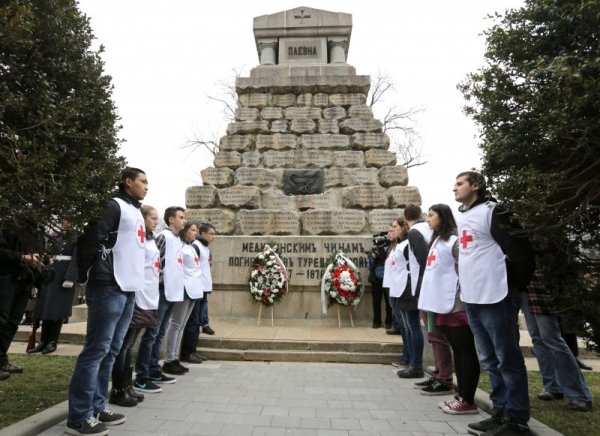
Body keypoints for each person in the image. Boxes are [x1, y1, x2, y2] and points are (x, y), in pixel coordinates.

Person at [66, 167, 148, 436]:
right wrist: (88, 274)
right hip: (108, 286)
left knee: (111, 350)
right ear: (128, 182)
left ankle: (98, 407)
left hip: (128, 288)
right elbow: (92, 238)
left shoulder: (135, 210)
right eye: (142, 182)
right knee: (95, 351)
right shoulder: (113, 206)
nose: (147, 186)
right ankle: (79, 417)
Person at [454, 171, 535, 436]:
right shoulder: (464, 215)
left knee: (507, 357)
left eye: (460, 183)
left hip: (496, 295)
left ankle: (516, 418)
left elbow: (520, 250)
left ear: (475, 186)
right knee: (488, 358)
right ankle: (499, 411)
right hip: (473, 296)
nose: (454, 188)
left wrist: (515, 287)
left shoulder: (494, 211)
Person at [418, 204, 480, 413]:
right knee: (458, 351)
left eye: (432, 215)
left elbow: (465, 267)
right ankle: (460, 395)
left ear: (443, 218)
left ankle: (467, 399)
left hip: (456, 304)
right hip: (441, 304)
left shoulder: (454, 241)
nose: (428, 219)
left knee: (464, 351)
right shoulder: (436, 241)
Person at [522, 251, 592, 412]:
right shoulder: (517, 229)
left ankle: (580, 395)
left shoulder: (543, 231)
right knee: (538, 339)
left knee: (551, 339)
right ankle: (552, 387)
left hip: (542, 288)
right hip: (526, 288)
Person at [110, 205, 161, 406]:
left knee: (130, 344)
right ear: (142, 218)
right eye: (153, 218)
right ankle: (118, 388)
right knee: (123, 345)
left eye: (157, 218)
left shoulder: (151, 238)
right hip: (137, 295)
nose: (156, 221)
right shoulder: (137, 237)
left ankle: (126, 386)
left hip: (148, 296)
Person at [134, 206, 186, 389]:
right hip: (162, 291)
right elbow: (157, 262)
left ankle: (154, 369)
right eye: (181, 217)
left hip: (172, 291)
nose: (184, 220)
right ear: (171, 219)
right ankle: (143, 373)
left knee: (160, 333)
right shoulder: (163, 237)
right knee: (152, 334)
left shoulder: (176, 239)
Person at [1, 221, 44, 380]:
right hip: (5, 277)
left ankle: (2, 360)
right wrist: (22, 257)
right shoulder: (7, 223)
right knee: (2, 320)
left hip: (23, 279)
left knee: (13, 322)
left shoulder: (35, 227)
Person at [29, 222, 78, 355]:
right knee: (47, 309)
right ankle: (43, 341)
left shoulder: (75, 236)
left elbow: (77, 258)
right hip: (50, 273)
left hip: (63, 275)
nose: (64, 222)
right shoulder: (54, 236)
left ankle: (52, 341)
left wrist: (70, 277)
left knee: (57, 310)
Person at [161, 222, 204, 374]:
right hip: (184, 288)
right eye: (193, 230)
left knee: (182, 325)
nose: (195, 233)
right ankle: (169, 359)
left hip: (194, 289)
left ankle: (175, 358)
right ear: (185, 231)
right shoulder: (178, 246)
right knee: (176, 324)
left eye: (196, 230)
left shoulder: (191, 247)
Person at [396, 205, 433, 379]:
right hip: (417, 284)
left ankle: (415, 365)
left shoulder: (415, 232)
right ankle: (414, 363)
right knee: (413, 327)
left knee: (412, 327)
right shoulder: (426, 229)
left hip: (414, 285)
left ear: (405, 217)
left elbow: (424, 260)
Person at [181, 223, 216, 363]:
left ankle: (192, 351)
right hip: (196, 288)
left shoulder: (205, 247)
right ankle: (187, 352)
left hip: (203, 288)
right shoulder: (195, 246)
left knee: (196, 322)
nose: (214, 236)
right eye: (211, 233)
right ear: (203, 234)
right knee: (193, 322)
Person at [383, 218, 411, 367]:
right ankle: (407, 355)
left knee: (408, 327)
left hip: (402, 290)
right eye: (390, 228)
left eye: (394, 227)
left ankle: (411, 359)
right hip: (393, 288)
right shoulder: (394, 245)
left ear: (403, 228)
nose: (391, 230)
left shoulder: (406, 245)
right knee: (403, 326)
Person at [367, 232, 393, 329]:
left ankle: (389, 322)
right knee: (376, 301)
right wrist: (373, 258)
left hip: (388, 279)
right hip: (376, 279)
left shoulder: (390, 249)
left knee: (389, 302)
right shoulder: (373, 250)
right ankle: (376, 321)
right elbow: (370, 266)